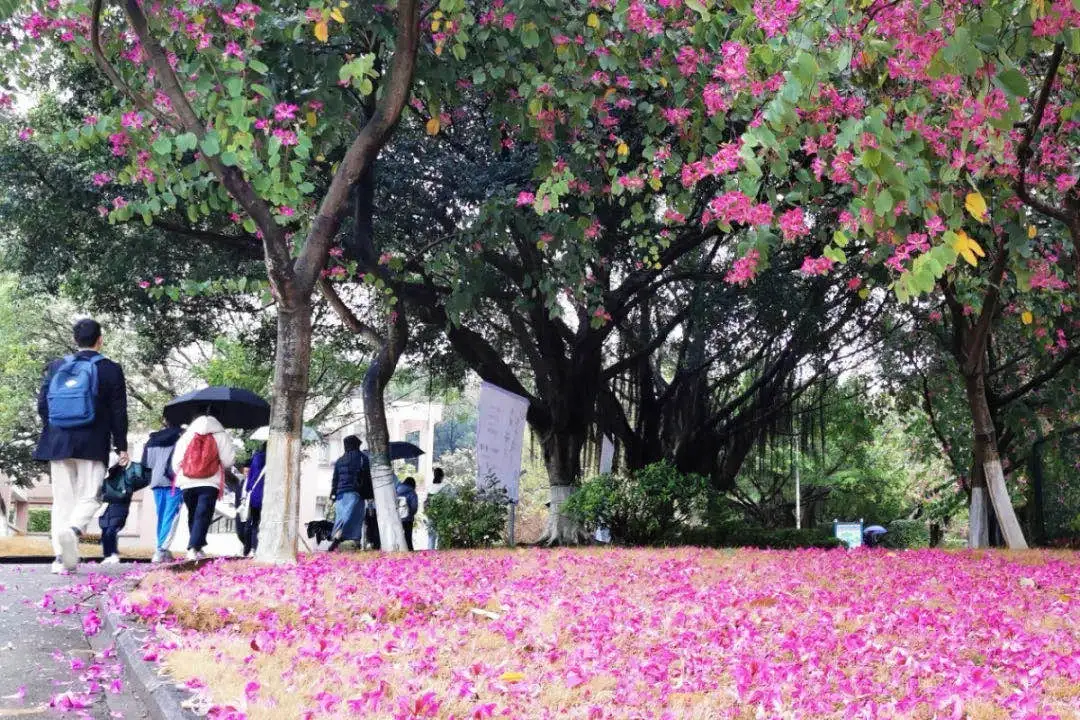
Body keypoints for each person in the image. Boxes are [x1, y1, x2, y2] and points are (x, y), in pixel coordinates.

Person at [34, 318, 129, 574]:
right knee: (91, 495)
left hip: (58, 441)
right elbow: (119, 411)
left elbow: (43, 403)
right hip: (92, 441)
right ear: (100, 339)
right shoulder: (110, 368)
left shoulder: (57, 366)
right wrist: (121, 445)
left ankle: (59, 560)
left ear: (76, 340)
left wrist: (53, 429)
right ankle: (74, 529)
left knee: (62, 500)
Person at [171, 414, 235, 561]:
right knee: (203, 514)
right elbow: (228, 460)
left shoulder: (187, 435)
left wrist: (183, 474)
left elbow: (176, 461)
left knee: (193, 513)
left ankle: (197, 546)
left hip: (187, 481)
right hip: (209, 481)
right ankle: (194, 547)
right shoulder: (221, 435)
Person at [142, 418, 183, 563]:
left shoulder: (151, 441)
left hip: (156, 481)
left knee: (161, 515)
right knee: (171, 517)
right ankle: (161, 549)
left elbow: (145, 464)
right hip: (174, 483)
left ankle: (161, 548)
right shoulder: (181, 439)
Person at [97, 458, 147, 564]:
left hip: (119, 507)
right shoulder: (104, 478)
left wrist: (132, 465)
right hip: (106, 507)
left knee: (111, 530)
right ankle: (108, 554)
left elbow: (140, 481)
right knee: (105, 531)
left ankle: (113, 553)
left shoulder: (125, 476)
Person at [328, 435, 372, 552]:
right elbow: (367, 478)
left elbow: (335, 480)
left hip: (340, 495)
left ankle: (337, 537)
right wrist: (370, 496)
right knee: (355, 519)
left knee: (342, 518)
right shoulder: (363, 458)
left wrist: (332, 496)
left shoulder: (339, 461)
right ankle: (353, 544)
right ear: (357, 444)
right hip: (355, 493)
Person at [239, 443, 266, 557]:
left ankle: (249, 549)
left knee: (253, 523)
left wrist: (247, 491)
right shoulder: (273, 459)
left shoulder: (256, 458)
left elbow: (250, 478)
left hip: (254, 495)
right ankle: (256, 548)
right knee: (261, 523)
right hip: (265, 495)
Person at [397, 477, 419, 551]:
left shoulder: (396, 489)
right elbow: (414, 506)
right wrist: (411, 514)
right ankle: (409, 551)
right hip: (407, 518)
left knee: (398, 536)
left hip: (397, 517)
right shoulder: (412, 492)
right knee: (408, 536)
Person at [427, 467, 445, 550]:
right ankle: (440, 552)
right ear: (442, 476)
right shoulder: (445, 486)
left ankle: (430, 553)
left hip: (431, 514)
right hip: (442, 513)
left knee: (431, 536)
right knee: (442, 535)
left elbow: (426, 502)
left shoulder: (429, 487)